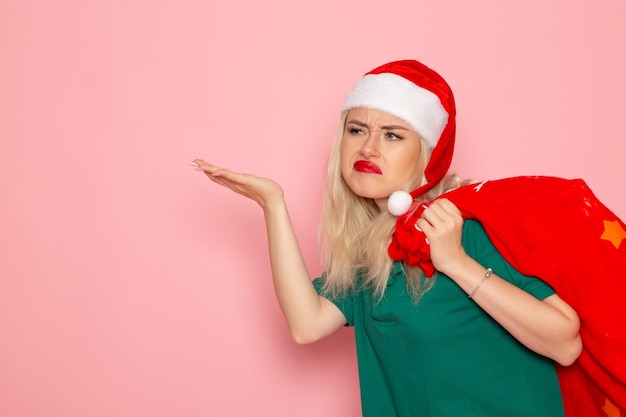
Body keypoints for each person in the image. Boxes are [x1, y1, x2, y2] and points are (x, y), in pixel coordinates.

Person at [191, 60, 582, 417]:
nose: (368, 147)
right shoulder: (370, 257)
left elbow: (565, 343)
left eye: (393, 135)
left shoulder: (467, 226)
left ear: (428, 156)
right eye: (356, 130)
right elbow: (306, 324)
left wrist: (456, 263)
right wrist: (272, 204)